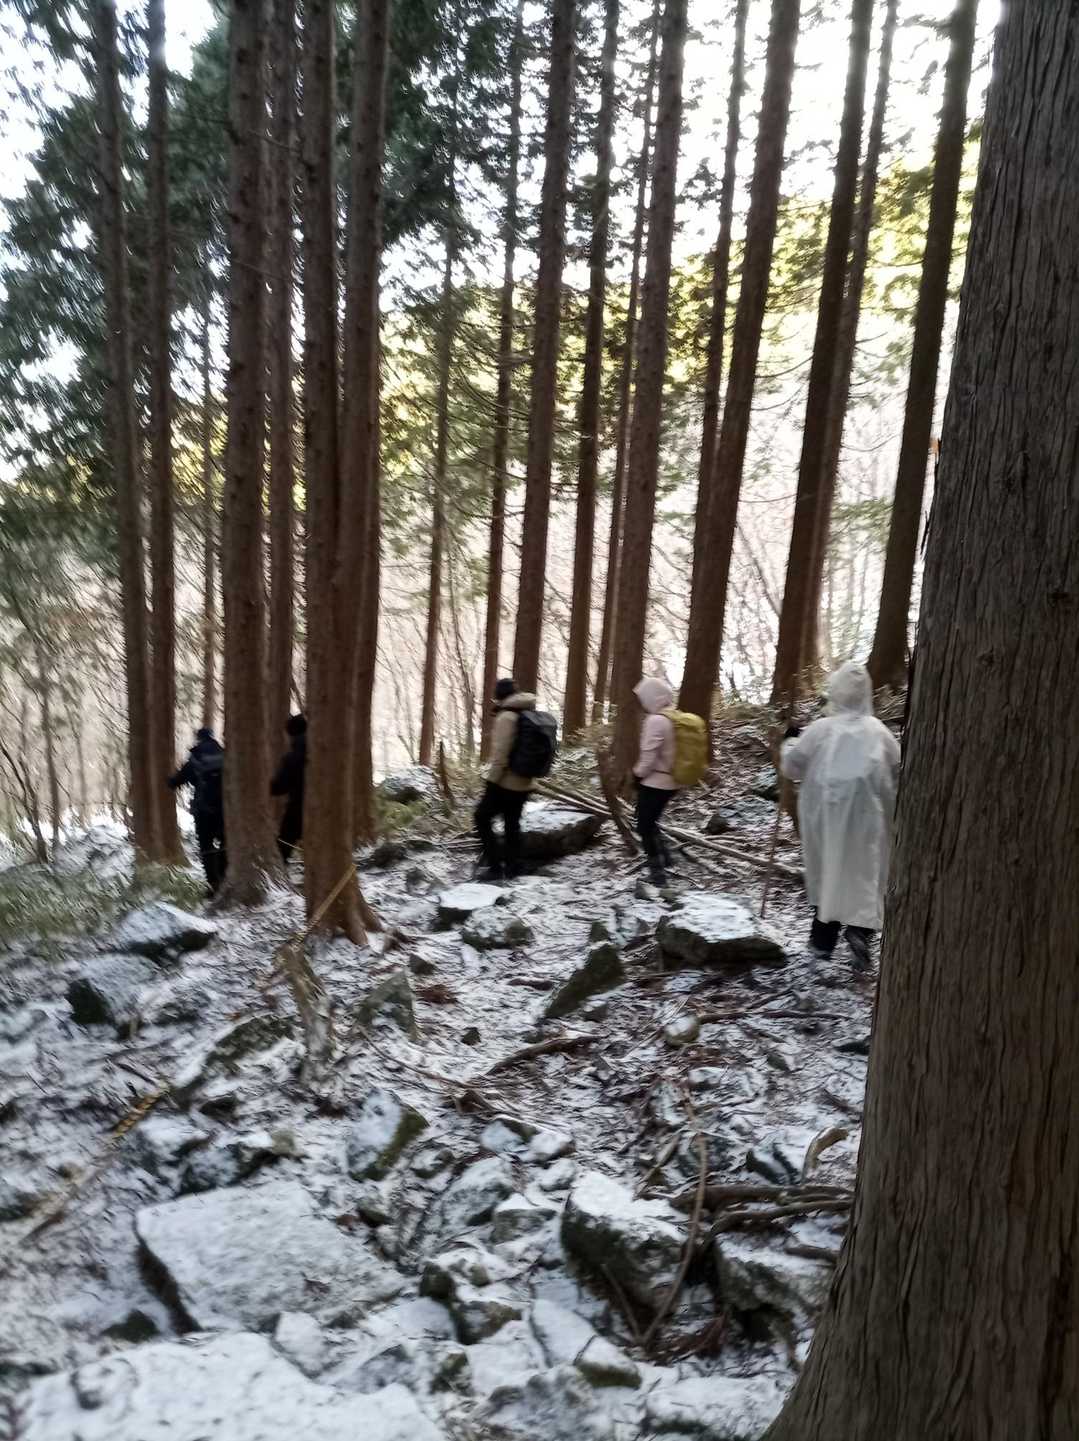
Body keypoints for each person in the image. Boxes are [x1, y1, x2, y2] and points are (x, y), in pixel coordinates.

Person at [780, 660, 901, 971]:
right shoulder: (879, 731)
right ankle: (860, 931)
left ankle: (821, 946)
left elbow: (792, 767)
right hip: (868, 815)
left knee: (830, 873)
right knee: (865, 872)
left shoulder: (821, 729)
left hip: (825, 816)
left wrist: (789, 740)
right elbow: (897, 769)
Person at [474, 678, 539, 881]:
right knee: (512, 823)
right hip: (525, 781)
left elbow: (501, 754)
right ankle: (514, 866)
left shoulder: (506, 717)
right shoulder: (526, 712)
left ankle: (495, 867)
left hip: (506, 782)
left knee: (481, 818)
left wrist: (492, 780)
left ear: (499, 696)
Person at [632, 677, 680, 887]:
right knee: (649, 821)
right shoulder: (674, 716)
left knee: (644, 826)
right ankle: (666, 859)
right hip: (673, 781)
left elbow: (649, 757)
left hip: (655, 782)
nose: (642, 702)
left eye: (643, 697)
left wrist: (636, 776)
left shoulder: (655, 721)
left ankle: (658, 876)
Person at [168, 727, 226, 892]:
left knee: (206, 846)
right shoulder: (224, 754)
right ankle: (224, 876)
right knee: (225, 843)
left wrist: (169, 780)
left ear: (199, 739)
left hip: (204, 809)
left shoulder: (196, 757)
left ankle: (213, 884)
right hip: (224, 809)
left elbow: (177, 781)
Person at [271, 714, 307, 869]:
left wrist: (266, 786)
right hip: (325, 807)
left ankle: (279, 872)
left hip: (298, 807)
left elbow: (280, 786)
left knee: (284, 844)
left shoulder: (292, 757)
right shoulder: (323, 750)